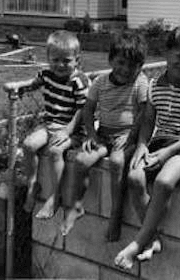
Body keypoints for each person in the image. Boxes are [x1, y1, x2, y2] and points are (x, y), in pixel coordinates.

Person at [114, 24, 180, 270]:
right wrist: (142, 146)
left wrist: (169, 152)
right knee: (135, 177)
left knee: (164, 181)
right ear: (166, 53)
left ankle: (138, 243)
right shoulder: (155, 85)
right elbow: (148, 120)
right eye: (179, 57)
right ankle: (152, 238)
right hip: (161, 141)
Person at [59, 30, 150, 239]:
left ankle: (115, 216)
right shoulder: (100, 82)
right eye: (120, 62)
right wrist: (91, 135)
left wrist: (131, 137)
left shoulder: (140, 82)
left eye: (132, 65)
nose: (125, 69)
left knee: (117, 162)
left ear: (140, 66)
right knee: (82, 160)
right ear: (111, 60)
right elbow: (88, 110)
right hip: (103, 134)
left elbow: (144, 113)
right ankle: (76, 205)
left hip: (127, 136)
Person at [20, 30, 90, 219]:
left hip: (73, 129)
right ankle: (33, 183)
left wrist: (68, 131)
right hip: (50, 124)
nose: (60, 65)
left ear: (77, 60)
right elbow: (34, 83)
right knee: (28, 145)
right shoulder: (46, 74)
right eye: (55, 59)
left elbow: (83, 111)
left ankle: (55, 196)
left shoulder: (79, 81)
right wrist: (22, 88)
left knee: (55, 151)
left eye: (66, 61)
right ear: (48, 58)